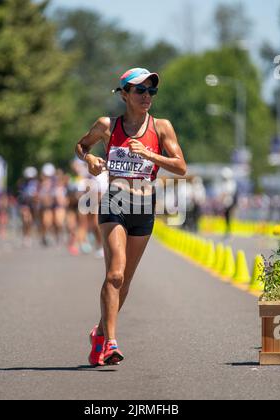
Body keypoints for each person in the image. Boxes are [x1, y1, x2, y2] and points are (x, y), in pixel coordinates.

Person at [75, 67, 187, 366]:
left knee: (125, 281)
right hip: (115, 201)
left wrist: (151, 155)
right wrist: (90, 160)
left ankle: (99, 334)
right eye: (141, 91)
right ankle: (111, 342)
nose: (147, 96)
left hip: (143, 205)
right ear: (124, 94)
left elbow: (180, 167)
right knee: (115, 274)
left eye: (151, 91)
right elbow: (82, 145)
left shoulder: (161, 127)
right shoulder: (107, 125)